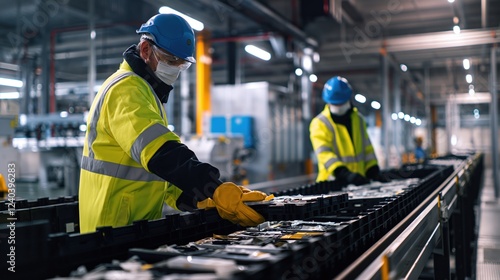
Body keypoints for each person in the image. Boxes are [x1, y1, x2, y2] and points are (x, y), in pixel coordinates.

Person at [78, 14, 268, 233]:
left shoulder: (146, 92)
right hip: (111, 226)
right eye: (170, 60)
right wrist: (214, 187)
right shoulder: (126, 90)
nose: (175, 69)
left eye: (181, 64)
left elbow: (159, 173)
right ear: (146, 50)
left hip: (131, 223)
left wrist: (200, 198)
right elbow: (161, 154)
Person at [309, 76, 389, 186]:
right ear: (328, 102)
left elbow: (367, 149)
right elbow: (324, 154)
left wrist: (373, 170)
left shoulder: (359, 119)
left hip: (358, 185)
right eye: (335, 103)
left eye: (340, 103)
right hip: (332, 184)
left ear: (348, 99)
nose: (338, 106)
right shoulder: (319, 123)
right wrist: (344, 174)